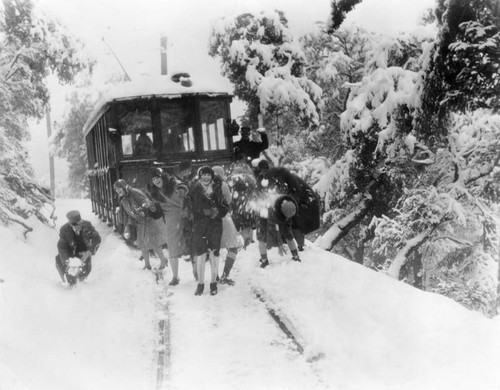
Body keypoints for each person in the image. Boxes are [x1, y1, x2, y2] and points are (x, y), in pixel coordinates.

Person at [257, 165, 320, 251]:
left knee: (295, 222)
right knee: (285, 219)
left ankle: (299, 246)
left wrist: (281, 202)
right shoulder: (277, 179)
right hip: (299, 201)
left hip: (306, 203)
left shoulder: (287, 180)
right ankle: (288, 243)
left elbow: (294, 195)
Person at [147, 167, 190, 286]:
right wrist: (152, 209)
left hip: (185, 214)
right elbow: (158, 211)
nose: (156, 181)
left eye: (157, 177)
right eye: (153, 179)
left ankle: (196, 272)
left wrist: (182, 190)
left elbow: (182, 186)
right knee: (172, 245)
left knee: (192, 241)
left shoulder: (172, 182)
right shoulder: (155, 193)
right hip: (170, 218)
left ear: (162, 176)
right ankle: (175, 276)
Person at [190, 166, 229, 296]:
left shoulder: (218, 188)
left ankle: (213, 283)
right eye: (203, 175)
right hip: (200, 226)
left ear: (212, 176)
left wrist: (216, 212)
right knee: (200, 253)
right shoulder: (194, 188)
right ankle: (200, 284)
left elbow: (225, 206)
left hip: (215, 225)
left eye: (208, 175)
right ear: (200, 175)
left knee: (214, 253)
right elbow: (189, 207)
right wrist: (202, 212)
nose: (206, 177)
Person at [113, 179, 168, 270]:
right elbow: (129, 214)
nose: (117, 191)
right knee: (143, 244)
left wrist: (141, 209)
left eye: (119, 188)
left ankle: (163, 260)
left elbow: (146, 202)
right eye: (116, 189)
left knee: (154, 242)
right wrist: (128, 224)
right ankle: (147, 265)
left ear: (124, 187)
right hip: (140, 222)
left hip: (149, 220)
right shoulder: (123, 199)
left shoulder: (134, 192)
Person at [213, 166, 242, 285]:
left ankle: (215, 276)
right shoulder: (223, 185)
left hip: (212, 219)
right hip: (224, 218)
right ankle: (225, 275)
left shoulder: (206, 185)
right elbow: (229, 200)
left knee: (214, 249)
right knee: (233, 246)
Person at [55, 210, 101, 285]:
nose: (80, 226)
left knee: (86, 271)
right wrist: (68, 262)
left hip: (83, 252)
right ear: (71, 225)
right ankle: (72, 288)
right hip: (70, 254)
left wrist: (88, 252)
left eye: (81, 223)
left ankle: (81, 283)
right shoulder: (64, 230)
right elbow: (62, 247)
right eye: (77, 225)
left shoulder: (87, 225)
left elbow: (97, 239)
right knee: (71, 274)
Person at [256, 194, 301, 268]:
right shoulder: (272, 211)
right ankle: (264, 261)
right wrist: (280, 245)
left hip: (279, 214)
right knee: (261, 237)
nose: (288, 218)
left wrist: (287, 230)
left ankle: (296, 256)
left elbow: (287, 227)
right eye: (287, 217)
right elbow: (273, 230)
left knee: (289, 234)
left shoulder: (289, 205)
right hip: (263, 217)